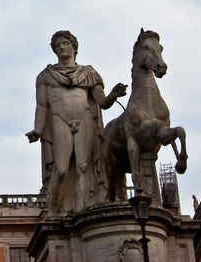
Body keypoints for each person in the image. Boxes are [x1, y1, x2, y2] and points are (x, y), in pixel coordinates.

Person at [26, 30, 126, 214]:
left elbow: (102, 102)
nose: (61, 47)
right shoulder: (45, 76)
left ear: (74, 47)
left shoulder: (88, 73)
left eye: (65, 43)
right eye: (57, 46)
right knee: (62, 169)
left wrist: (113, 94)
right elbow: (41, 106)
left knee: (83, 167)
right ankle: (53, 210)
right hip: (59, 120)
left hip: (84, 119)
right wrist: (38, 130)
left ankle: (82, 208)